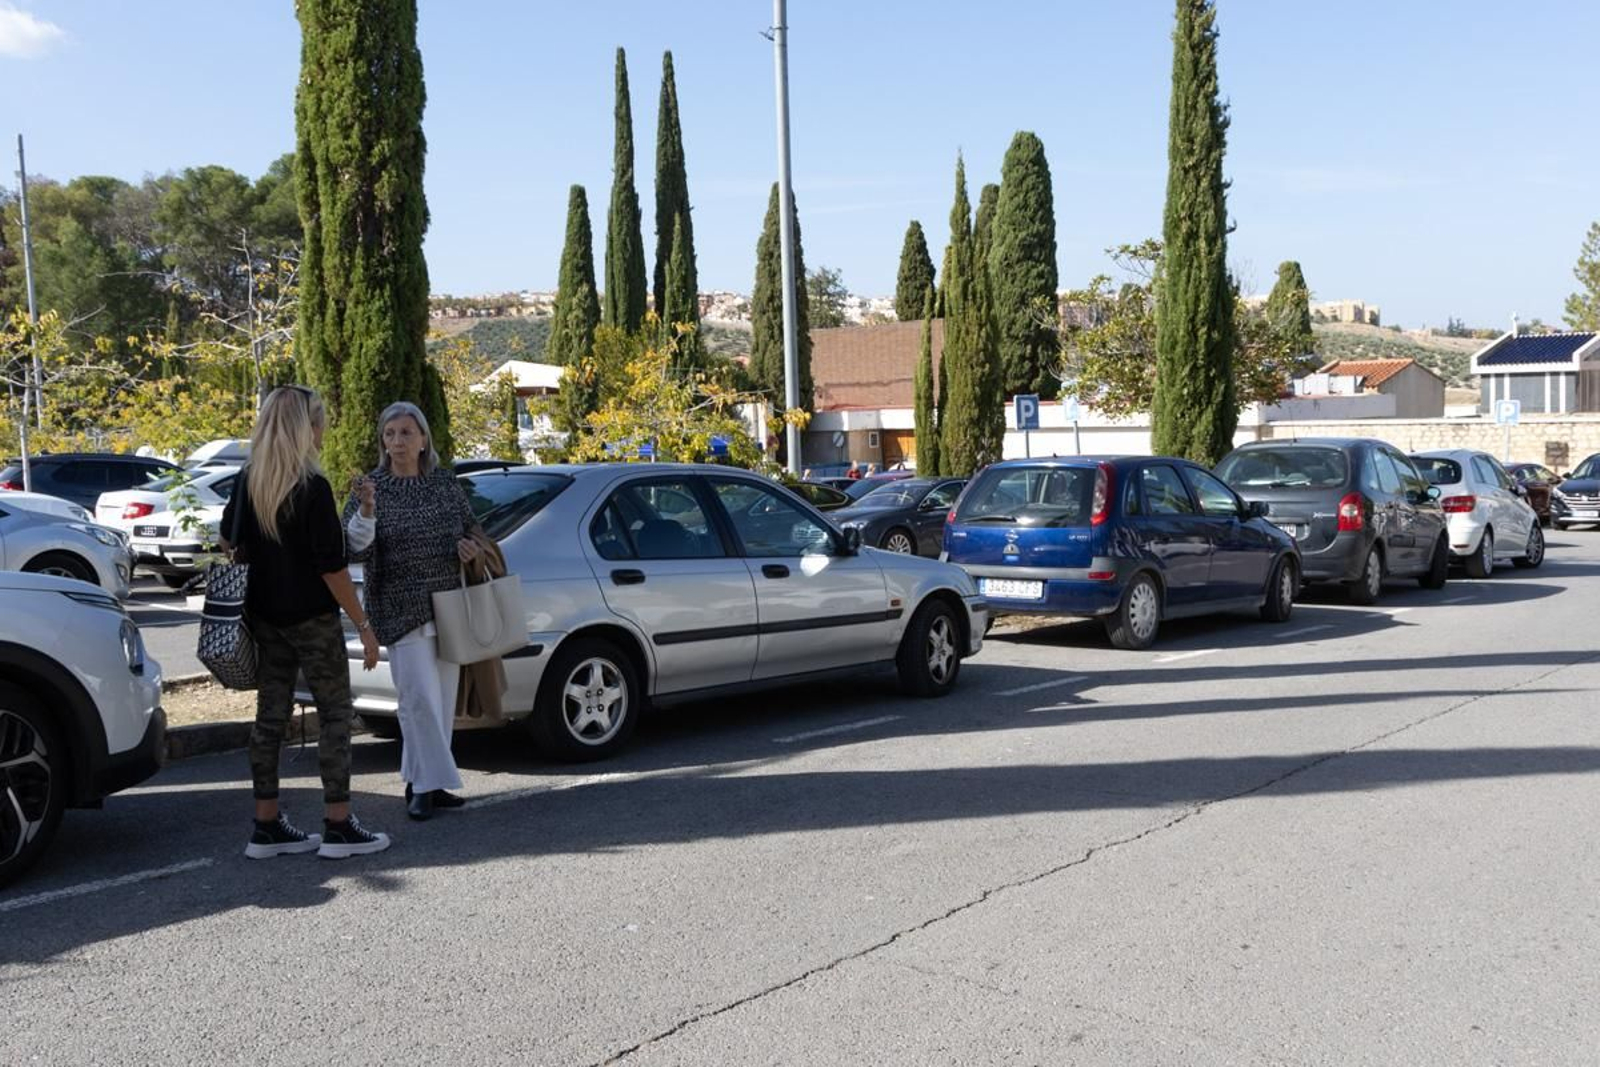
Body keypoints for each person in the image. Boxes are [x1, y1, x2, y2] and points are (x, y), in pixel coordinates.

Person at [220, 385, 389, 860]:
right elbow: (331, 569)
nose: (323, 430)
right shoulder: (311, 487)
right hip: (312, 619)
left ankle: (266, 825)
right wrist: (365, 627)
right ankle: (338, 825)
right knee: (335, 715)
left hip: (264, 618)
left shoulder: (247, 479)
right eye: (319, 421)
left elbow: (226, 540)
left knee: (268, 720)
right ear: (304, 428)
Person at [345, 401, 482, 822]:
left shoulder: (443, 483)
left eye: (406, 433)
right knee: (417, 701)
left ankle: (423, 781)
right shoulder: (371, 489)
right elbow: (353, 547)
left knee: (440, 702)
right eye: (390, 434)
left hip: (448, 607)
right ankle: (424, 787)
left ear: (424, 440)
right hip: (398, 607)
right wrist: (367, 510)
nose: (397, 442)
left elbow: (471, 526)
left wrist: (471, 546)